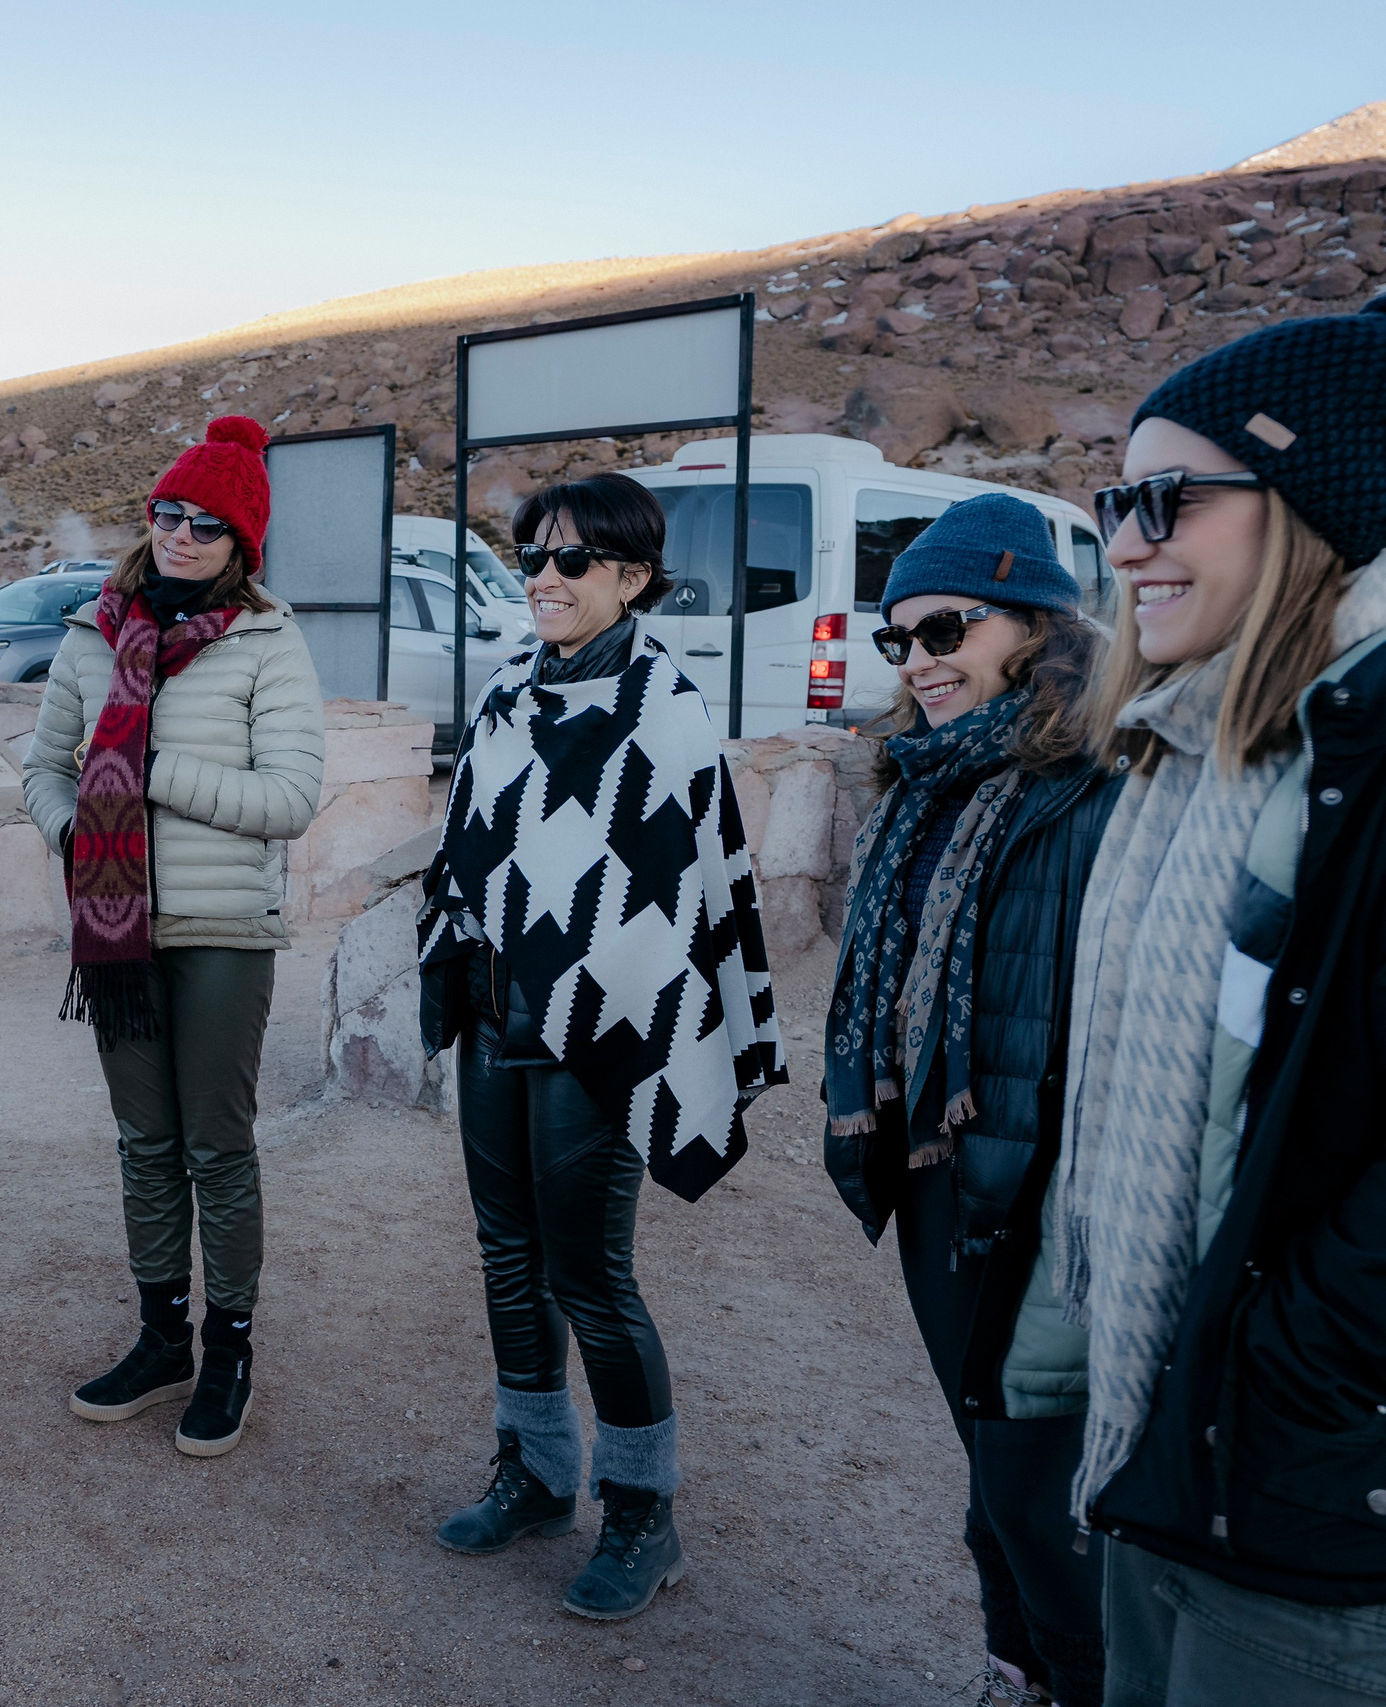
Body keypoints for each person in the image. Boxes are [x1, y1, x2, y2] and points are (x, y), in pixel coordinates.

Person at [1057, 297, 1386, 1705]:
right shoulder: (1180, 752)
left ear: (1312, 502)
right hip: (1157, 1437)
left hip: (1297, 1498)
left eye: (1167, 499)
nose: (1126, 542)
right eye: (1115, 500)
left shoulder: (1361, 765)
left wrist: (1284, 1368)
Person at [417, 472, 783, 1621]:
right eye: (532, 555)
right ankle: (533, 1472)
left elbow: (683, 892)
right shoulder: (507, 688)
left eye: (571, 561)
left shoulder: (662, 707)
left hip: (600, 1036)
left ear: (631, 576)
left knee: (592, 1278)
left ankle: (641, 1513)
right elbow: (474, 845)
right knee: (506, 1259)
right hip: (495, 1017)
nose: (543, 579)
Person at [822, 494, 1115, 1706]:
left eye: (945, 629)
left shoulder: (1093, 784)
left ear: (1030, 625)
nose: (919, 663)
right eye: (899, 641)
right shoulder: (918, 785)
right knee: (992, 1486)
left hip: (1046, 1199)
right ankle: (1016, 1674)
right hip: (942, 1180)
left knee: (1038, 1502)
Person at [23, 416, 324, 1458]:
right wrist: (79, 830)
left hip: (221, 930)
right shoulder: (88, 634)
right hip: (117, 928)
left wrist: (141, 777)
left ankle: (229, 1345)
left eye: (206, 524)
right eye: (166, 514)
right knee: (145, 1144)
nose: (180, 536)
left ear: (243, 544)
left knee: (214, 1145)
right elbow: (45, 768)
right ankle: (162, 1340)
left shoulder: (265, 642)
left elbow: (289, 798)